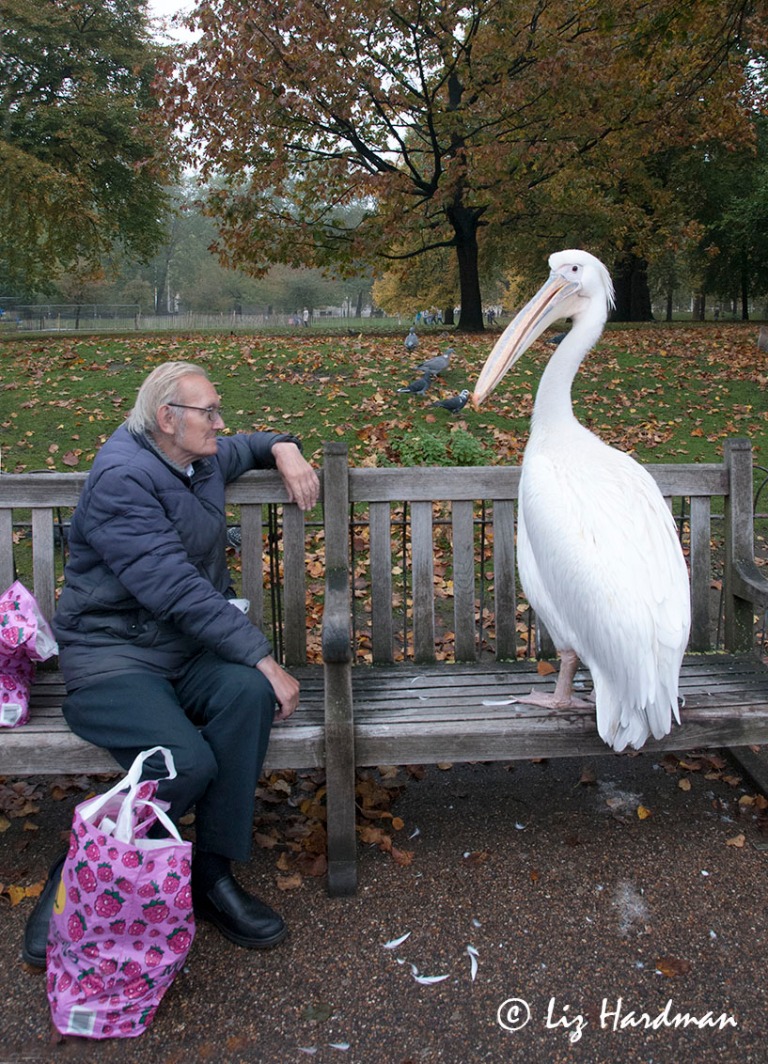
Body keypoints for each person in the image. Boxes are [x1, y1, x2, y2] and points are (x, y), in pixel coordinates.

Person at [22, 361, 320, 966]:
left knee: (244, 697)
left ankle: (210, 877)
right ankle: (80, 867)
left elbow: (248, 444)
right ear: (167, 418)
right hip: (112, 658)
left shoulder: (196, 457)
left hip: (180, 652)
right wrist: (262, 656)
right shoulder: (121, 479)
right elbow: (175, 589)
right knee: (185, 761)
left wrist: (284, 447)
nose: (220, 422)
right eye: (209, 411)